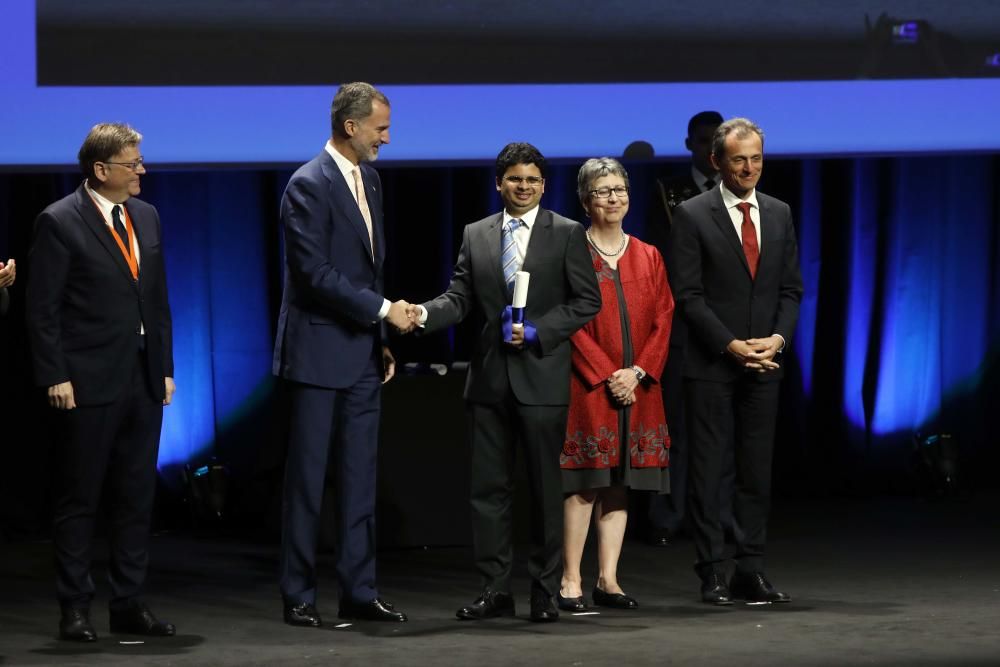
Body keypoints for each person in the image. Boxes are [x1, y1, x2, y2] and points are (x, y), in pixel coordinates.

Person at [407, 143, 601, 622]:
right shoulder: (477, 234)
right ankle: (495, 589)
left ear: (544, 184)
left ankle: (543, 590)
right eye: (515, 179)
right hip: (490, 382)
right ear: (499, 183)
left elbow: (586, 301)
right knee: (488, 492)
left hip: (542, 379)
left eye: (532, 180)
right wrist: (423, 315)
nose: (524, 187)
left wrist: (540, 331)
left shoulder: (568, 233)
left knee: (541, 490)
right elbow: (460, 297)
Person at [25, 123, 176, 642]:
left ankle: (129, 603)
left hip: (142, 376)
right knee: (80, 496)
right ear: (100, 169)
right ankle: (75, 608)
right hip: (86, 380)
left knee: (136, 496)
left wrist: (165, 368)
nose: (142, 171)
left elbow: (157, 301)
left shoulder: (147, 216)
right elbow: (42, 308)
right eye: (133, 163)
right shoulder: (60, 221)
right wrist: (55, 374)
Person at [272, 82, 413, 628]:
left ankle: (359, 590)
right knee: (308, 481)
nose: (386, 136)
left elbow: (366, 269)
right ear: (350, 126)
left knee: (360, 477)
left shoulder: (370, 180)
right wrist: (384, 312)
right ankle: (299, 594)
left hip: (359, 355)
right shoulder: (307, 185)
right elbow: (315, 275)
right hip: (315, 352)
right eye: (380, 126)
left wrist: (378, 342)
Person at [669, 117, 803, 605]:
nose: (749, 168)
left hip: (765, 362)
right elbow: (688, 295)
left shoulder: (779, 212)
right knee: (708, 471)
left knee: (755, 470)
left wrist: (777, 340)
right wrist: (731, 345)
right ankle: (712, 570)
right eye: (739, 159)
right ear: (716, 161)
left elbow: (790, 289)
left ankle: (751, 567)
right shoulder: (691, 214)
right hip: (711, 363)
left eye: (756, 159)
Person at [558, 158, 673, 612]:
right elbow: (569, 322)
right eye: (603, 191)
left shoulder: (648, 254)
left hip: (639, 387)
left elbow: (664, 318)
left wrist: (637, 371)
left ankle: (609, 579)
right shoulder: (573, 253)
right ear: (586, 200)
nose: (613, 197)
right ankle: (571, 580)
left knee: (620, 484)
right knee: (585, 483)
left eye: (620, 189)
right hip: (590, 388)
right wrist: (609, 374)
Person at [644, 110, 740, 548]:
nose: (710, 150)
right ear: (690, 144)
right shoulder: (668, 193)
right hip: (677, 327)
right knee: (673, 429)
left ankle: (718, 517)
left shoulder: (741, 195)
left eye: (716, 142)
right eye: (703, 142)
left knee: (721, 431)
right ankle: (667, 515)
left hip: (727, 328)